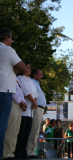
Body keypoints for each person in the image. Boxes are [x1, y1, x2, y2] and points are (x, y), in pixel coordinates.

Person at [0, 27, 26, 159]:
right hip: (4, 91)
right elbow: (22, 67)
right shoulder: (7, 50)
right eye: (11, 38)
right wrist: (14, 67)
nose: (12, 41)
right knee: (2, 127)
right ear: (6, 37)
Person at [15, 62, 38, 160]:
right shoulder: (20, 78)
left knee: (27, 133)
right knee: (21, 132)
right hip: (24, 110)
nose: (29, 69)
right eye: (27, 68)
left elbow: (35, 94)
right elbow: (26, 92)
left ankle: (24, 152)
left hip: (30, 111)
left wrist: (34, 102)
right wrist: (34, 102)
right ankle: (18, 152)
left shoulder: (31, 81)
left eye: (30, 68)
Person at [2, 68, 27, 160]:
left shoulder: (16, 78)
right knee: (10, 129)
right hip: (13, 103)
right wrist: (22, 102)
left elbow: (20, 92)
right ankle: (6, 153)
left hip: (19, 105)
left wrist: (23, 102)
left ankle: (11, 153)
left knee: (16, 130)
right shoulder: (9, 76)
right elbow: (13, 91)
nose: (18, 69)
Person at [26, 69, 46, 158]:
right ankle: (30, 152)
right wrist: (34, 103)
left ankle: (32, 151)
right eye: (40, 74)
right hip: (36, 108)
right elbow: (31, 94)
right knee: (34, 131)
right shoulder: (32, 82)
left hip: (39, 108)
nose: (42, 76)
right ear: (34, 75)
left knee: (36, 131)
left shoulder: (36, 83)